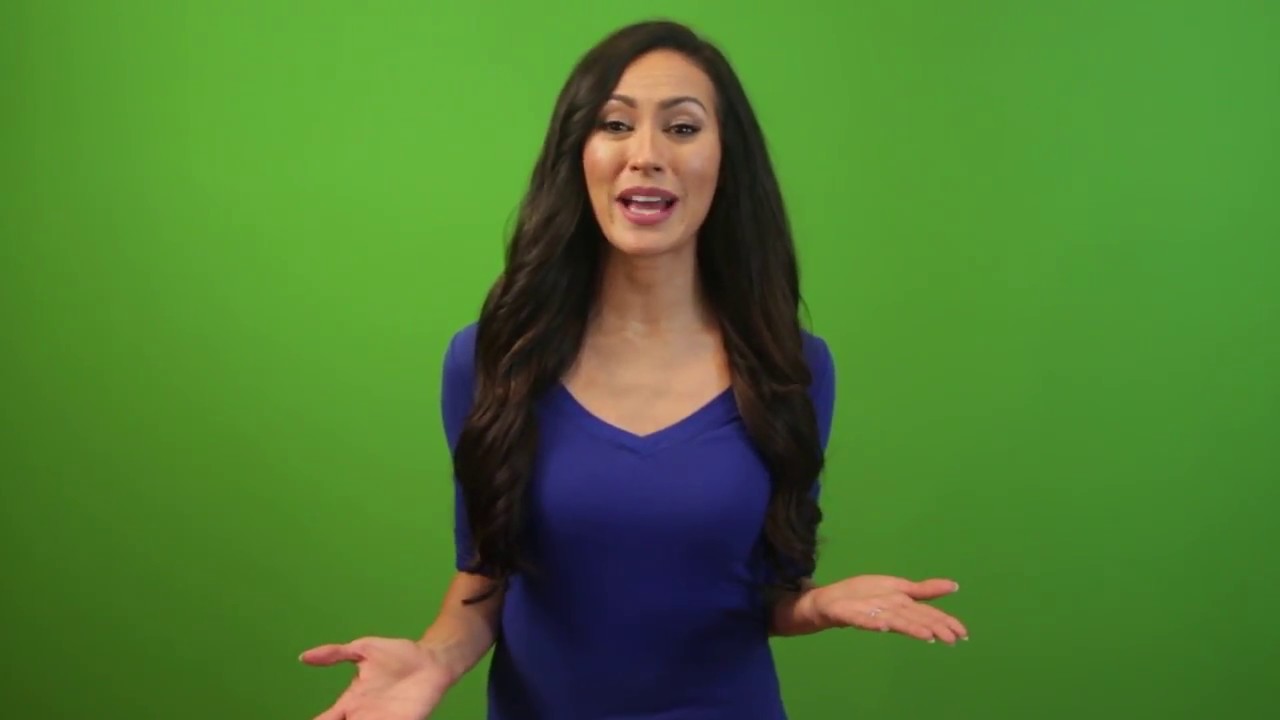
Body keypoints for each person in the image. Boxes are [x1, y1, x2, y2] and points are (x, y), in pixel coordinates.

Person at [300, 19, 967, 720]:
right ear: (577, 154)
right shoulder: (493, 360)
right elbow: (484, 580)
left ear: (726, 160)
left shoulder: (792, 368)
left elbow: (767, 594)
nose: (645, 155)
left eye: (682, 128)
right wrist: (432, 661)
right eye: (615, 124)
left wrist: (816, 605)